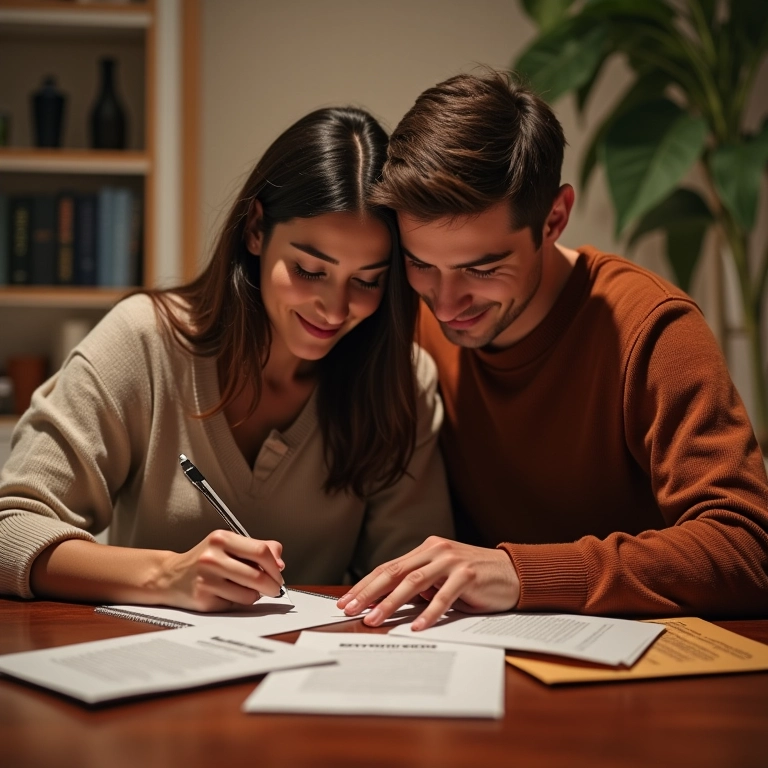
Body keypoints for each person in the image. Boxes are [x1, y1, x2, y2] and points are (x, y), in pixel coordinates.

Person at [338, 71, 768, 629]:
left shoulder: (651, 328)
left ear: (555, 219)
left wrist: (524, 574)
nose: (445, 304)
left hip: (631, 664)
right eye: (422, 263)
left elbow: (748, 548)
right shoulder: (405, 317)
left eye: (483, 268)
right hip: (469, 647)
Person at [0, 107, 453, 611]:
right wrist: (165, 576)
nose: (336, 308)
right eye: (309, 270)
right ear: (256, 229)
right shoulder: (144, 341)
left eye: (367, 280)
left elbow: (418, 574)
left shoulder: (403, 380)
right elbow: (8, 532)